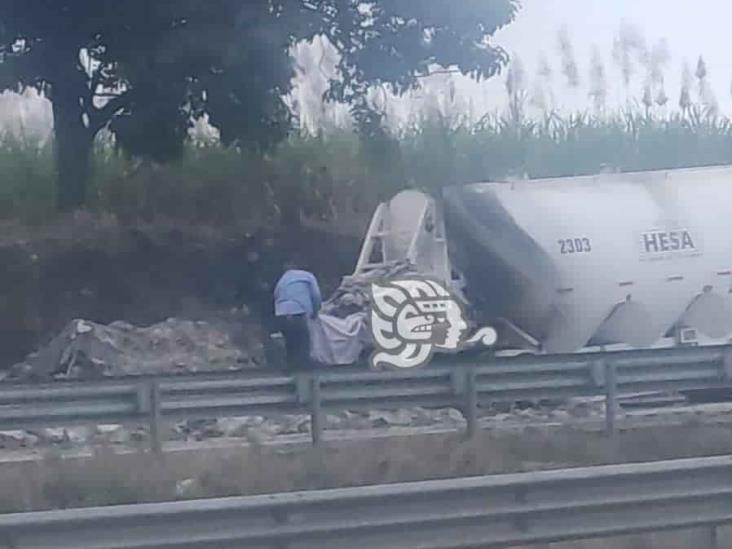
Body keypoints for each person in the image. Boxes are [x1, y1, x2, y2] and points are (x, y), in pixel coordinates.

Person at [273, 262, 322, 372]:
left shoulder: (282, 280)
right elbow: (316, 295)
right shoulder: (308, 276)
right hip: (299, 311)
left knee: (290, 342)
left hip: (282, 313)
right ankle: (303, 369)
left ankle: (291, 367)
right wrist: (315, 311)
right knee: (303, 340)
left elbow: (276, 296)